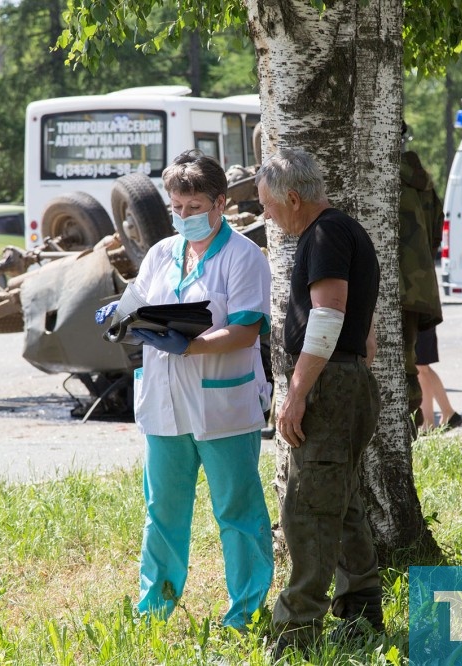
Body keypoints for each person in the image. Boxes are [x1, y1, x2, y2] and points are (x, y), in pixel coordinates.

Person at [97, 149, 274, 631]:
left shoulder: (243, 257)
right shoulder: (160, 254)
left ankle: (246, 612)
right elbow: (138, 306)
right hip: (164, 405)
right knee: (163, 513)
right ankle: (154, 609)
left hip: (224, 405)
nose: (184, 217)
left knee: (237, 512)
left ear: (220, 203)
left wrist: (188, 347)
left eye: (193, 208)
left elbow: (245, 330)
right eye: (176, 208)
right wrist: (119, 318)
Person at [255, 147, 383, 657]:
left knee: (308, 508)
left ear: (291, 197)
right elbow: (367, 330)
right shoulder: (347, 231)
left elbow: (328, 319)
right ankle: (360, 617)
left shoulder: (326, 234)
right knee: (344, 502)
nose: (265, 214)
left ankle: (296, 632)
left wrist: (299, 394)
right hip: (346, 380)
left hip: (331, 384)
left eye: (267, 204)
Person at [396, 121, 461, 431]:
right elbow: (437, 234)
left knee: (399, 362)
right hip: (420, 287)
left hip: (394, 286)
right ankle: (413, 426)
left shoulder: (379, 179)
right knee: (410, 360)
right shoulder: (424, 183)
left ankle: (411, 426)